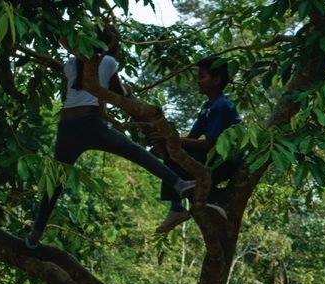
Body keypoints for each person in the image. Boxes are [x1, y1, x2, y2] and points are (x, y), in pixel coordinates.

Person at [24, 31, 196, 249]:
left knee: (57, 179)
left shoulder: (70, 63)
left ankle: (36, 232)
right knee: (134, 151)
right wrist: (127, 89)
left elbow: (80, 90)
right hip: (90, 122)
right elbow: (116, 92)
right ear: (111, 46)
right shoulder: (107, 61)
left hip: (67, 124)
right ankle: (179, 184)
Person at [154, 56, 241, 234]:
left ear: (216, 80)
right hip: (213, 159)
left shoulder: (221, 106)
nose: (198, 81)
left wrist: (171, 140)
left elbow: (209, 144)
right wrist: (166, 140)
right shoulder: (207, 106)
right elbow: (191, 138)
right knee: (172, 150)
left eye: (202, 77)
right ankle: (201, 197)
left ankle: (178, 207)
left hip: (224, 162)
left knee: (173, 150)